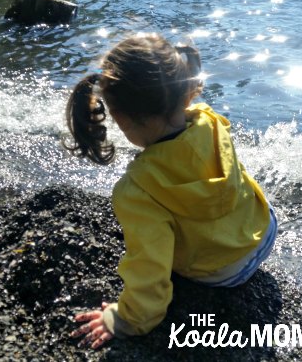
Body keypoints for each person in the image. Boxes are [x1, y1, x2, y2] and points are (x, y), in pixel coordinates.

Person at [64, 33, 277, 349]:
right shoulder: (210, 121)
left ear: (121, 118)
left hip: (222, 272)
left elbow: (149, 265)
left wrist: (127, 318)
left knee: (153, 238)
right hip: (264, 230)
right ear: (185, 93)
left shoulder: (137, 188)